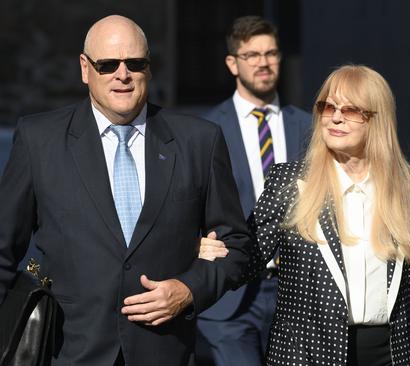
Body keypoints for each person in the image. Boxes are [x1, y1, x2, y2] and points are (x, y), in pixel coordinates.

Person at [200, 65, 410, 366]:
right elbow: (247, 258)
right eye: (327, 107)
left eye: (350, 110)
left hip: (393, 354)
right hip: (306, 356)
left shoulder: (408, 189)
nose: (335, 118)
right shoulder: (290, 183)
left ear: (377, 120)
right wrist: (205, 254)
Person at [0, 15, 251, 365]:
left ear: (149, 69)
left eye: (135, 63)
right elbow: (3, 251)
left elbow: (237, 247)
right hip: (69, 352)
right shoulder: (39, 140)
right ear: (85, 69)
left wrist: (189, 289)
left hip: (165, 351)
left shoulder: (199, 141)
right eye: (108, 65)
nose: (123, 74)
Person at [196, 15, 311, 366]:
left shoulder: (310, 128)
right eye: (252, 55)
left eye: (271, 53)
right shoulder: (204, 130)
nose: (263, 62)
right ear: (232, 63)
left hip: (298, 293)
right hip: (230, 296)